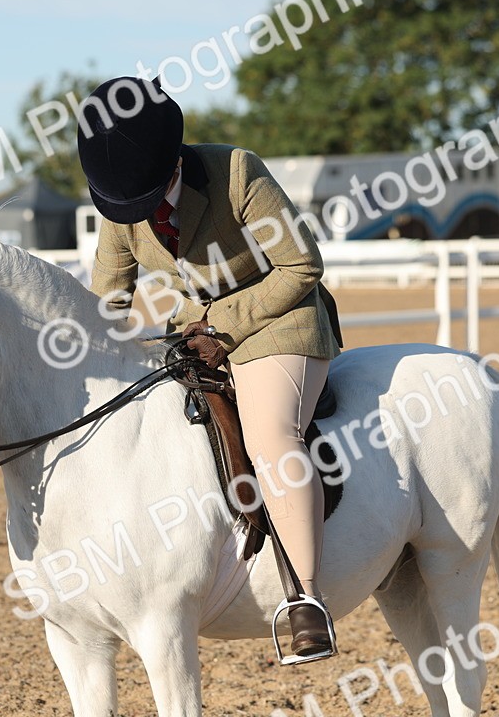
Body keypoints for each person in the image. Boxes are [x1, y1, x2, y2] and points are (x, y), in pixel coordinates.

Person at [78, 76, 343, 662]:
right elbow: (106, 302)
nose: (138, 216)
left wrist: (223, 325)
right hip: (192, 335)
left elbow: (302, 266)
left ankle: (306, 597)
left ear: (173, 162)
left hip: (278, 320)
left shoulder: (238, 174)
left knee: (272, 435)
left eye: (146, 198)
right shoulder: (123, 202)